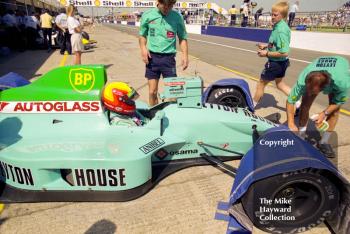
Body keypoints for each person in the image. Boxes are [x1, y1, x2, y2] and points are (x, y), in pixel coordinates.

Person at [286, 56, 350, 158]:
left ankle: (323, 142)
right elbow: (290, 101)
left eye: (314, 92)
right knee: (305, 105)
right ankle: (301, 137)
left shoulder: (343, 83)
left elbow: (338, 102)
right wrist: (290, 123)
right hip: (319, 72)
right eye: (308, 89)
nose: (311, 94)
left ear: (325, 88)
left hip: (338, 71)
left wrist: (324, 113)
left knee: (334, 112)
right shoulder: (303, 78)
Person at [139, 0, 188, 106]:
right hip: (152, 58)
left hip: (168, 59)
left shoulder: (177, 17)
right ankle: (154, 116)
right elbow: (142, 35)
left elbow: (182, 38)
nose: (166, 8)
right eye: (164, 4)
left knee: (173, 93)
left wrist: (185, 55)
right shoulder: (148, 15)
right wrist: (143, 48)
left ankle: (171, 116)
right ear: (158, 2)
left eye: (170, 5)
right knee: (152, 92)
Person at [253, 1, 291, 107]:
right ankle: (298, 104)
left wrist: (266, 53)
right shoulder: (279, 25)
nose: (272, 17)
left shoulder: (281, 30)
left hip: (276, 63)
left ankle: (251, 107)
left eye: (275, 15)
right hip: (282, 63)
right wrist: (266, 46)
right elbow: (276, 44)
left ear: (282, 15)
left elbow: (284, 52)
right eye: (272, 14)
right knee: (280, 84)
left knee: (261, 84)